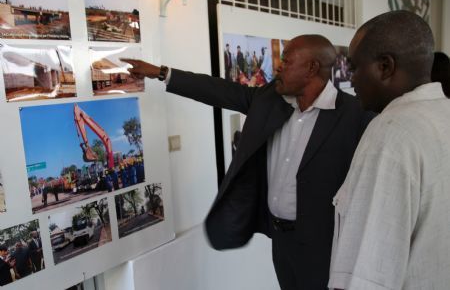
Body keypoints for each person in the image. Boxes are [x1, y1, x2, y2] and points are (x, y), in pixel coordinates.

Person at [121, 34, 375, 290]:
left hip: (325, 245)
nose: (278, 67)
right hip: (280, 238)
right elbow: (219, 90)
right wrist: (161, 72)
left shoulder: (354, 115)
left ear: (311, 68)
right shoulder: (270, 100)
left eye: (287, 61)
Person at [328, 11, 450, 290]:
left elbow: (366, 274)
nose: (351, 79)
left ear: (385, 66)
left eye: (355, 67)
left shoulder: (389, 132)